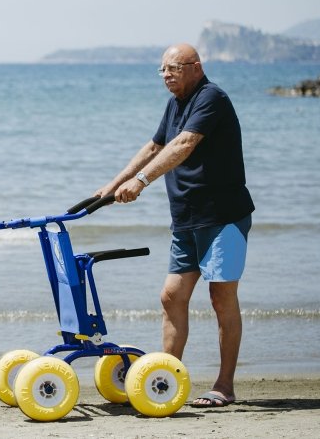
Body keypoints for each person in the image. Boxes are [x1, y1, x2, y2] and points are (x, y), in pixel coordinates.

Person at [94, 43, 254, 408]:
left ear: (195, 66)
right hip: (187, 218)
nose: (166, 75)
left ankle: (224, 387)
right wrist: (115, 182)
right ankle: (167, 378)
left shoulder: (211, 98)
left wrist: (142, 182)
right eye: (162, 70)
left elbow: (183, 144)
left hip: (222, 216)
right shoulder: (175, 103)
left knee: (221, 297)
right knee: (171, 296)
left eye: (173, 68)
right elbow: (155, 146)